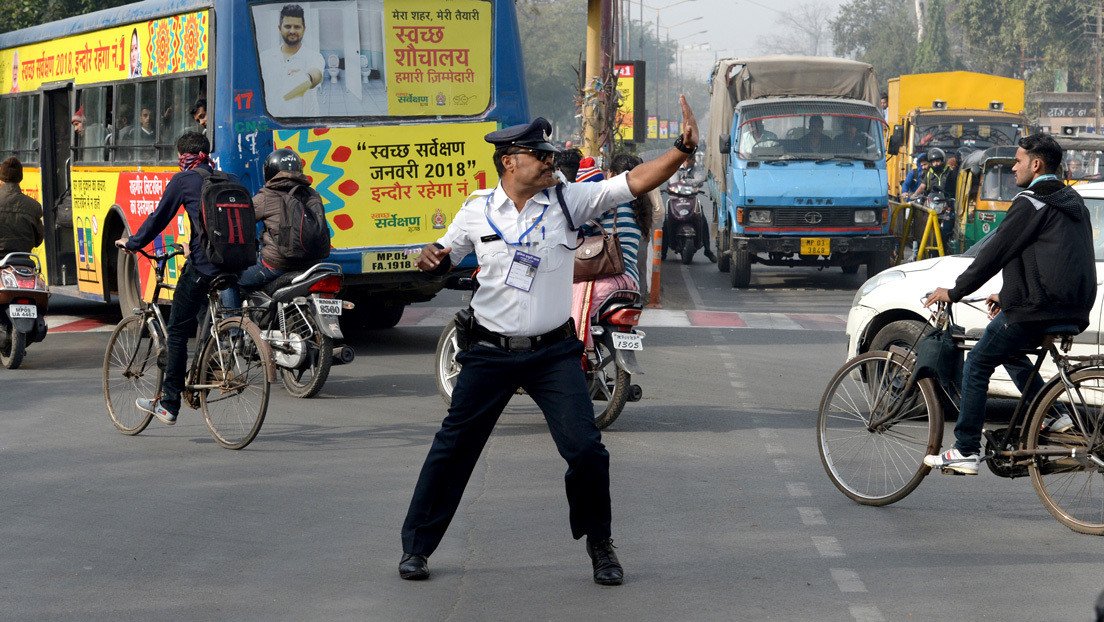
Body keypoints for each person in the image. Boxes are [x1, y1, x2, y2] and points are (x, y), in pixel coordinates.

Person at [401, 95, 701, 586]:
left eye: (549, 155)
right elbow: (443, 252)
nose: (549, 162)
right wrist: (429, 258)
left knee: (586, 450)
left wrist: (680, 151)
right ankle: (417, 547)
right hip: (488, 353)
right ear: (509, 162)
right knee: (452, 449)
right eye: (539, 156)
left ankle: (600, 544)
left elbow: (634, 181)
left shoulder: (569, 200)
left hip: (553, 354)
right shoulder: (476, 211)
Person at [921, 134, 1096, 475]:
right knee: (1007, 347)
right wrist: (1006, 294)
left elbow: (995, 251)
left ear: (1036, 164)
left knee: (977, 363)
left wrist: (955, 291)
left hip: (1038, 308)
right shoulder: (1070, 200)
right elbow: (1050, 258)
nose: (1013, 168)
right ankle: (1051, 415)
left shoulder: (1032, 202)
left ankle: (965, 450)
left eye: (1018, 161)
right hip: (1070, 306)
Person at [115, 131, 235, 426]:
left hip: (204, 265)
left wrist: (132, 242)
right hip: (236, 263)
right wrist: (191, 243)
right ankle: (210, 367)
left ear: (184, 157)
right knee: (205, 314)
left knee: (178, 330)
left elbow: (159, 217)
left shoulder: (185, 180)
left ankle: (168, 404)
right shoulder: (227, 179)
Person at [221, 148, 328, 310]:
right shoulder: (313, 194)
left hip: (278, 265)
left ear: (269, 172)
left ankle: (233, 330)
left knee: (228, 279)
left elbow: (239, 222)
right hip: (313, 264)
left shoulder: (266, 196)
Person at [570, 154, 650, 347]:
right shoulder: (642, 207)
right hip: (631, 282)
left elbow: (579, 226)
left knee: (569, 313)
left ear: (613, 175)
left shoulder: (609, 201)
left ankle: (577, 355)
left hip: (606, 279)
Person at [259, 4, 324, 117]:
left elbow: (316, 75)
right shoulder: (265, 57)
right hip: (273, 122)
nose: (292, 31)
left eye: (297, 27)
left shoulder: (314, 56)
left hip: (304, 126)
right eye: (288, 26)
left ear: (304, 29)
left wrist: (307, 78)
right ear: (280, 28)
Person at [668, 155, 717, 262]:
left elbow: (700, 178)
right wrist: (691, 183)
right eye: (691, 160)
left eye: (692, 160)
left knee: (702, 221)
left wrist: (685, 183)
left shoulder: (695, 168)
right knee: (667, 221)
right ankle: (663, 251)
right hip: (675, 200)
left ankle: (707, 250)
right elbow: (674, 183)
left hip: (691, 199)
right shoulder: (674, 168)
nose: (693, 162)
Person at [0, 157, 44, 257]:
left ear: (1, 179)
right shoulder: (34, 206)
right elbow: (38, 240)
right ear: (20, 178)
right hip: (22, 261)